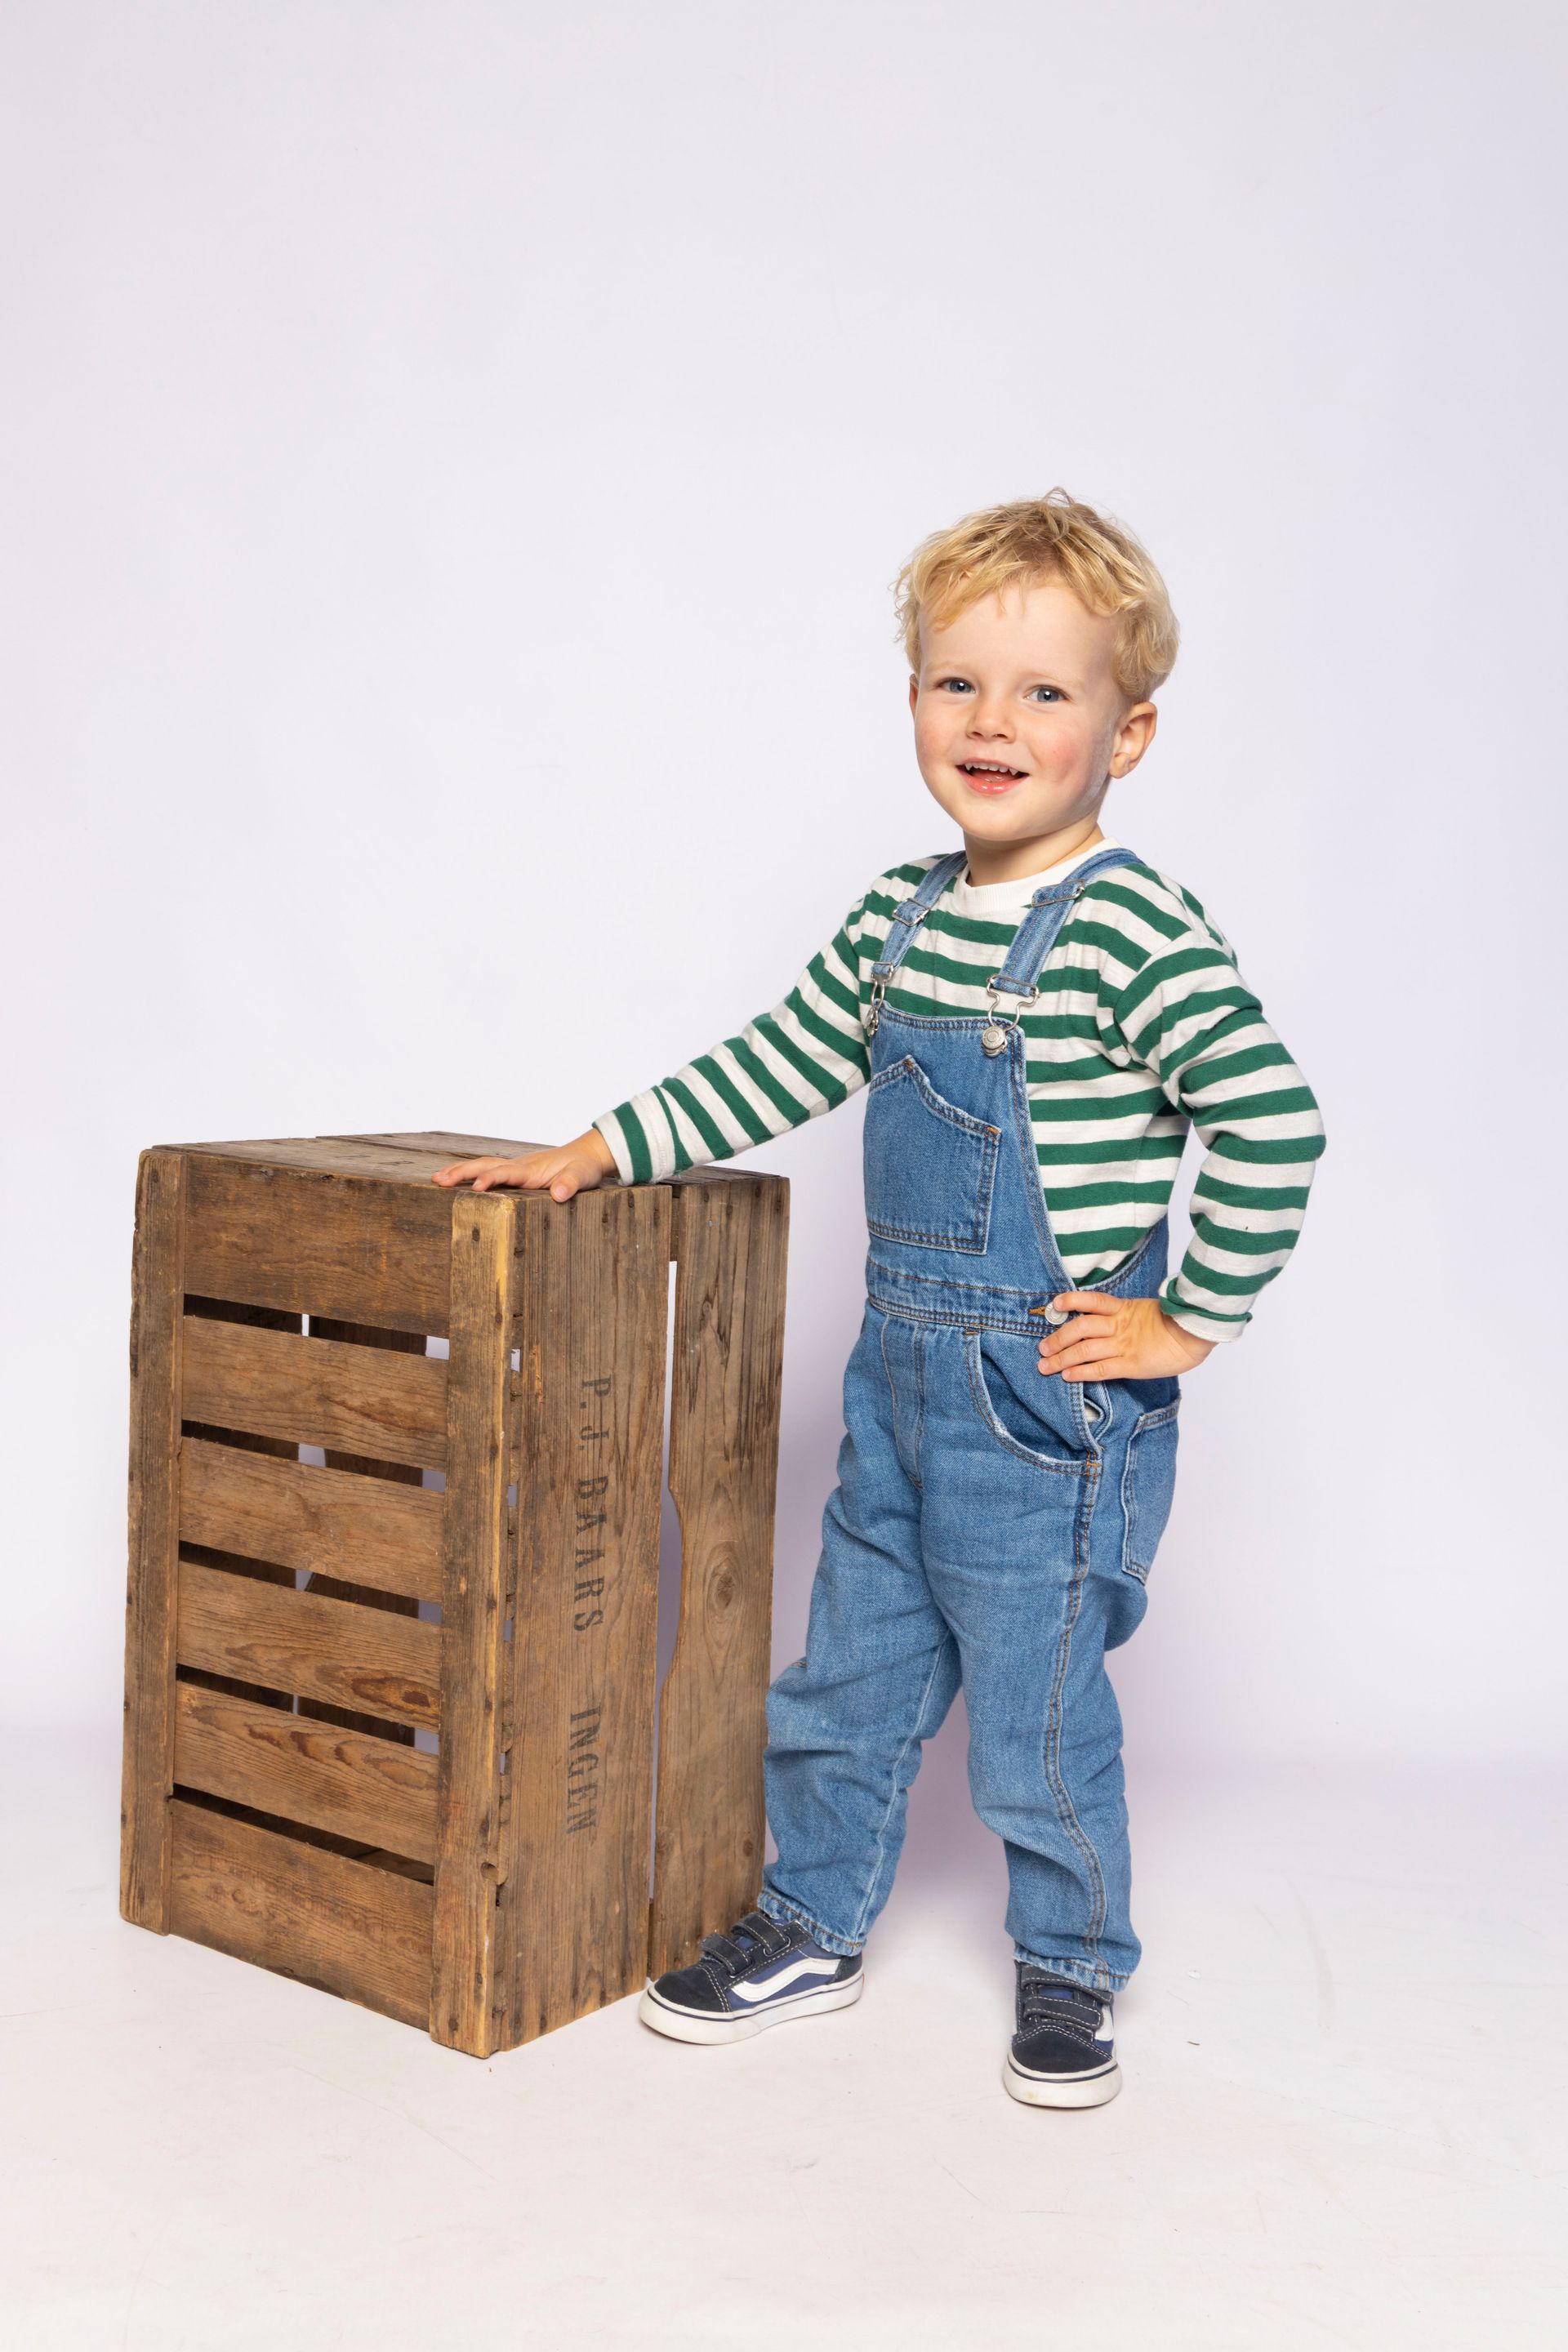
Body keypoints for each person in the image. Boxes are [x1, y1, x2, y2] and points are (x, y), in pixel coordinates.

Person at [433, 492, 1325, 2107]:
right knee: (845, 1678)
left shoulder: (1128, 925)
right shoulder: (898, 915)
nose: (992, 722)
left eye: (1044, 692)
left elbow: (1273, 1116)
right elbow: (780, 1056)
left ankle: (1071, 1960)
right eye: (956, 682)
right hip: (900, 1382)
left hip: (1044, 1410)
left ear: (1127, 734)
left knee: (1034, 1712)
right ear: (912, 697)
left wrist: (1185, 1321)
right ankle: (813, 1922)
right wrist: (608, 1145)